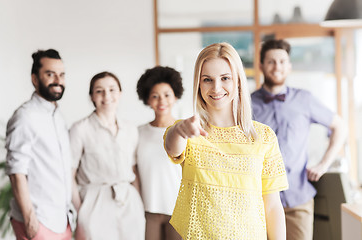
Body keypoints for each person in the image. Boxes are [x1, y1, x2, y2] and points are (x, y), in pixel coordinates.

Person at [163, 42, 289, 240]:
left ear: (238, 81)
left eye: (225, 78)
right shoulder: (188, 131)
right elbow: (172, 146)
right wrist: (180, 130)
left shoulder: (263, 136)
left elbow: (272, 205)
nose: (216, 88)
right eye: (207, 80)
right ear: (198, 84)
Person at [251, 39, 347, 240]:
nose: (277, 67)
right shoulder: (246, 104)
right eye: (271, 61)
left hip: (298, 200)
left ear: (289, 66)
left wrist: (323, 164)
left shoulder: (305, 99)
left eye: (282, 61)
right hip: (258, 201)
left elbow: (339, 126)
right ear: (260, 65)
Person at [5, 49, 73, 239]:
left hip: (62, 220)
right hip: (38, 221)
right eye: (50, 74)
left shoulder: (59, 117)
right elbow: (16, 170)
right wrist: (29, 219)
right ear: (35, 79)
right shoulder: (24, 117)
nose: (57, 80)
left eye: (61, 75)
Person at [70, 71, 145, 240]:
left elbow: (134, 170)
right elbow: (69, 174)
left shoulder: (130, 129)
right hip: (94, 202)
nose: (107, 96)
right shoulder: (80, 129)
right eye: (99, 91)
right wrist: (81, 210)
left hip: (128, 202)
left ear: (120, 93)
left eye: (112, 90)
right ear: (91, 97)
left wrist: (138, 200)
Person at [136, 66, 183, 240]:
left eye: (166, 95)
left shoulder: (184, 130)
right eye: (155, 96)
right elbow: (134, 173)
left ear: (175, 96)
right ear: (147, 99)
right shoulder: (138, 133)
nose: (161, 100)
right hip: (149, 210)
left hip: (179, 210)